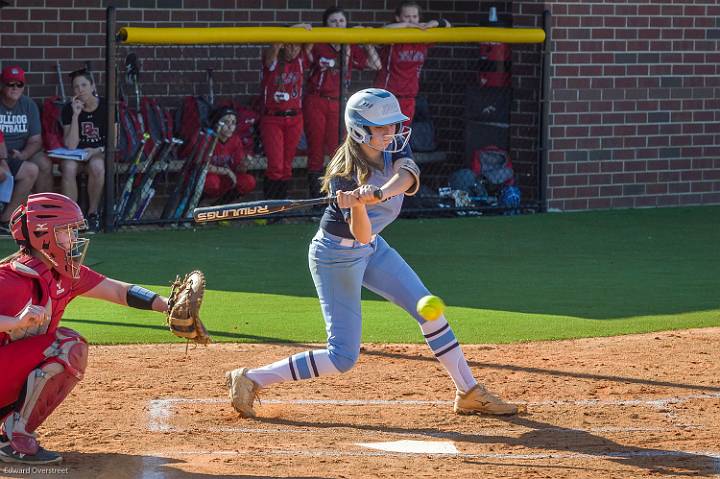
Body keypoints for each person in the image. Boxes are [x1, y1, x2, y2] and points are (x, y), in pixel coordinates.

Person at [226, 88, 517, 418]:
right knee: (342, 357)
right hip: (335, 257)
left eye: (393, 125)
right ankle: (249, 379)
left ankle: (468, 392)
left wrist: (378, 193)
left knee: (430, 310)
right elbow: (360, 233)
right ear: (360, 130)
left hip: (374, 248)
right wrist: (358, 206)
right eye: (382, 128)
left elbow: (408, 177)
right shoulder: (343, 175)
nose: (391, 132)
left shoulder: (395, 149)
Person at [0, 192, 172, 464]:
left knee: (66, 345)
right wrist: (15, 322)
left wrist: (169, 305)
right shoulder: (9, 279)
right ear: (43, 235)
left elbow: (119, 291)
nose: (73, 238)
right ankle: (13, 438)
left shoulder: (64, 275)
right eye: (66, 231)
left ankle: (9, 432)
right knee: (65, 345)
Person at [303, 6, 381, 198]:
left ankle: (336, 195)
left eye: (341, 21)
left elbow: (376, 65)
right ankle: (315, 200)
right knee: (315, 151)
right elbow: (305, 59)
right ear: (325, 26)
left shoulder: (351, 45)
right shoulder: (319, 44)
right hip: (317, 100)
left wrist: (366, 41)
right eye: (333, 22)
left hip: (339, 103)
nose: (338, 25)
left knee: (337, 150)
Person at [373, 1, 451, 125]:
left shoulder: (422, 37)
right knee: (384, 136)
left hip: (409, 97)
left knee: (402, 136)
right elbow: (381, 31)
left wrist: (434, 23)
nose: (412, 20)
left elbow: (447, 25)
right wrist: (407, 25)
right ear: (398, 18)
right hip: (387, 96)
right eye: (407, 17)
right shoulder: (393, 35)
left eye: (415, 17)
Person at [260, 24, 312, 199]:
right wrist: (295, 27)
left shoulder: (301, 60)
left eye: (296, 45)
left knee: (287, 165)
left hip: (295, 117)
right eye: (289, 44)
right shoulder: (273, 61)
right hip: (273, 118)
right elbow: (274, 46)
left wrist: (301, 29)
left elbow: (310, 34)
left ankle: (282, 208)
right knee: (276, 165)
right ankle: (270, 209)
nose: (293, 49)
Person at [0, 66, 49, 233]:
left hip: (18, 154)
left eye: (19, 84)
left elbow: (36, 140)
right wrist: (3, 158)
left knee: (41, 164)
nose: (15, 88)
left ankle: (11, 219)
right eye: (10, 83)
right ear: (2, 85)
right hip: (2, 155)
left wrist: (24, 154)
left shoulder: (28, 105)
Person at [60, 68, 107, 232]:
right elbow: (71, 145)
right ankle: (72, 218)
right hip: (77, 155)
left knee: (97, 167)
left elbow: (114, 141)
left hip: (98, 153)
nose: (80, 90)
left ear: (93, 86)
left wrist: (95, 151)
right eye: (76, 87)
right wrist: (75, 115)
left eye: (84, 85)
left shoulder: (106, 106)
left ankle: (93, 214)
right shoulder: (69, 109)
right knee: (68, 167)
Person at [203, 107, 256, 202]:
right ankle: (200, 203)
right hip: (211, 177)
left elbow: (239, 169)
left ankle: (220, 205)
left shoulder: (235, 140)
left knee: (248, 181)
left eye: (233, 123)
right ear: (216, 123)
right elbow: (203, 166)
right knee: (212, 182)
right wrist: (226, 171)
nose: (230, 126)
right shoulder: (208, 139)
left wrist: (245, 163)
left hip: (227, 178)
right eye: (225, 122)